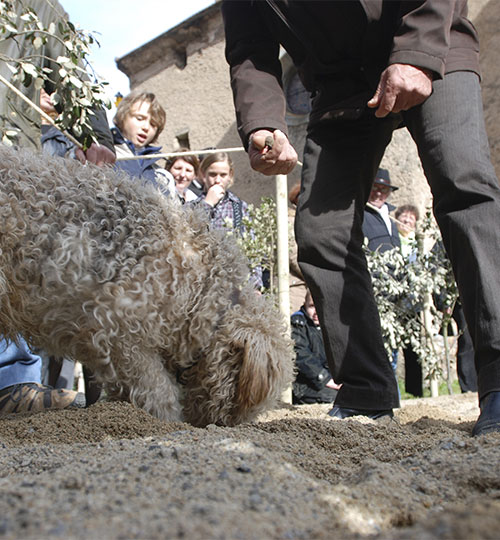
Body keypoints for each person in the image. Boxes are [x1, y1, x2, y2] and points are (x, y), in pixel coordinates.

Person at [222, 0, 500, 435]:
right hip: (339, 84)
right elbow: (249, 48)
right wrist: (261, 121)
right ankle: (366, 389)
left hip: (429, 36)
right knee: (320, 231)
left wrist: (415, 53)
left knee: (464, 187)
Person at [0, 0, 115, 415]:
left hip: (9, 160)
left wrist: (96, 138)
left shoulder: (37, 9)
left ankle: (9, 382)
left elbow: (76, 81)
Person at [194, 152, 263, 289]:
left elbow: (252, 250)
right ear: (203, 175)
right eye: (213, 174)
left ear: (230, 175)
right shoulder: (192, 207)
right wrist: (207, 204)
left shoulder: (240, 208)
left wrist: (255, 286)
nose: (217, 180)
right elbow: (189, 236)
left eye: (223, 175)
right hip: (201, 283)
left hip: (233, 284)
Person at [112, 90, 176, 198]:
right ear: (123, 116)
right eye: (139, 118)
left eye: (153, 124)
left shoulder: (163, 176)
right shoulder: (102, 155)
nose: (146, 127)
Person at [292, 290, 341, 404]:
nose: (317, 312)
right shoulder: (298, 323)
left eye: (321, 306)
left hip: (328, 379)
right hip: (304, 385)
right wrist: (325, 378)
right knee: (335, 398)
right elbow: (301, 355)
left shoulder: (330, 325)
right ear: (305, 304)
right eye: (312, 306)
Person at [363, 169, 401, 253]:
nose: (378, 193)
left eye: (383, 190)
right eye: (374, 187)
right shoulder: (361, 215)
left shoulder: (390, 219)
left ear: (388, 193)